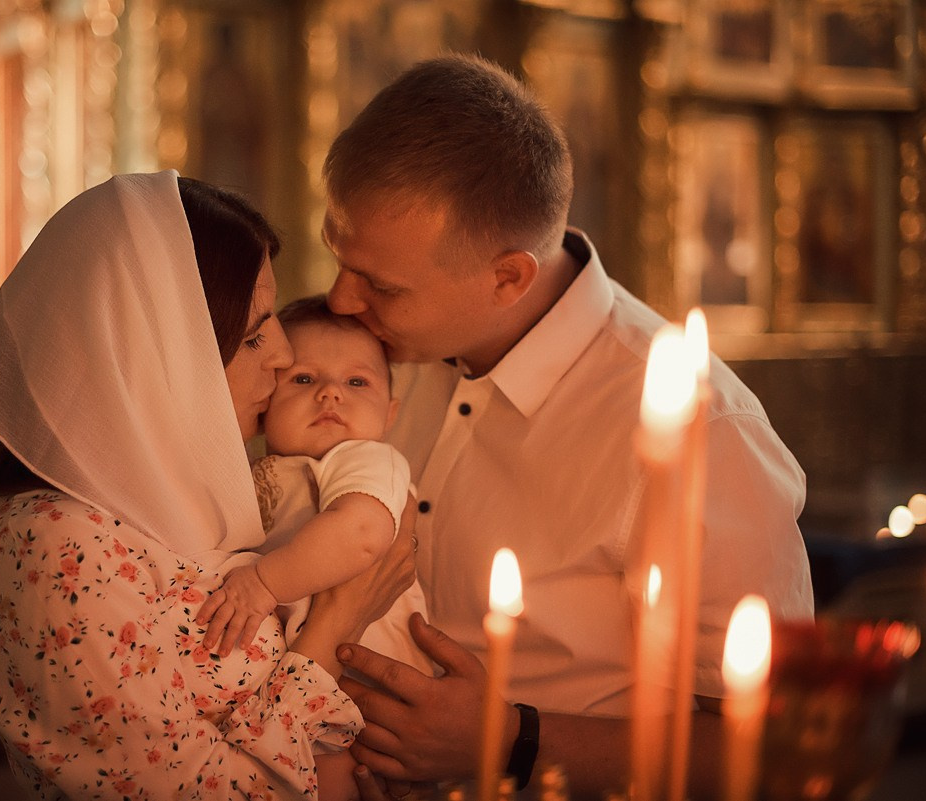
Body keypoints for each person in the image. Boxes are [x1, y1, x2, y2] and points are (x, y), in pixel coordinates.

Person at [318, 55, 813, 799]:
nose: (339, 299)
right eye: (337, 253)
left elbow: (774, 742)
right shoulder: (368, 355)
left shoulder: (700, 430)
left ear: (508, 277)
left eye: (381, 285)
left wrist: (511, 739)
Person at [0, 172, 416, 800]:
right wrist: (340, 619)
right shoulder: (50, 544)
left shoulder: (199, 494)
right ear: (154, 354)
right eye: (254, 332)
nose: (285, 357)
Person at [196, 295, 434, 680]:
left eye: (357, 381)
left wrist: (262, 582)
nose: (330, 393)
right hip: (303, 666)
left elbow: (360, 534)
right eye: (304, 378)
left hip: (371, 669)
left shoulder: (366, 459)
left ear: (389, 415)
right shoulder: (254, 469)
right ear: (265, 400)